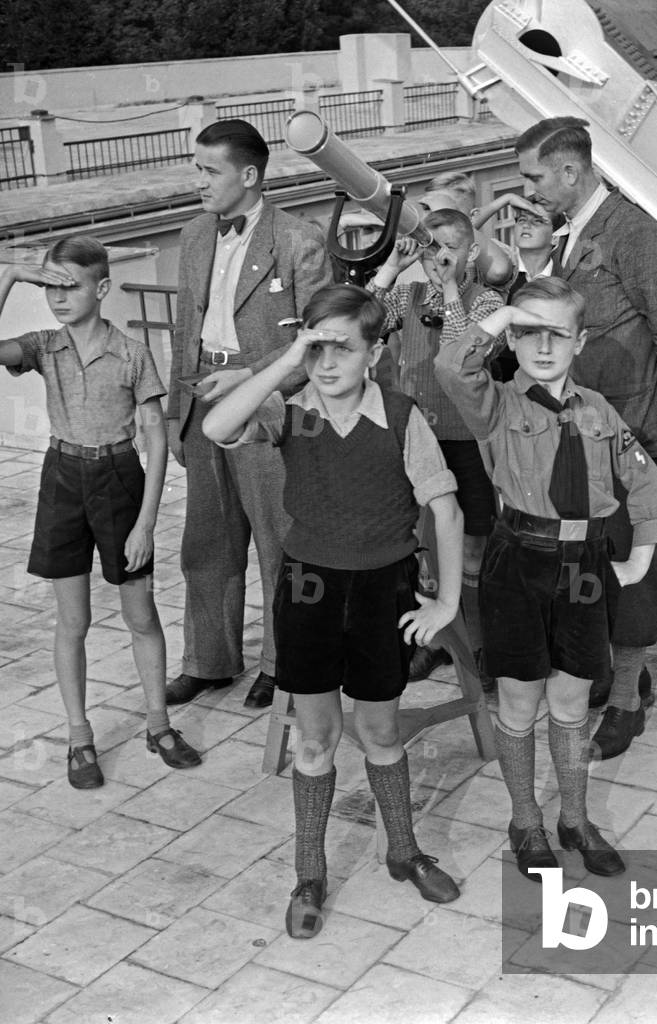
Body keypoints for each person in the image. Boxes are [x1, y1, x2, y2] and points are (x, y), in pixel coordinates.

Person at [203, 284, 464, 938]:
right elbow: (215, 425)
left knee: (380, 731)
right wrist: (287, 357)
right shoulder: (291, 411)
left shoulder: (402, 417)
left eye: (341, 349)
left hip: (384, 590)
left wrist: (448, 600)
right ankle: (310, 871)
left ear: (373, 353)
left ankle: (403, 850)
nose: (327, 363)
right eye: (317, 348)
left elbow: (447, 510)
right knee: (315, 737)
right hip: (309, 589)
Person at [435, 276, 657, 879]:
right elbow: (451, 365)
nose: (543, 347)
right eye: (529, 333)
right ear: (512, 336)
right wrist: (507, 311)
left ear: (580, 340)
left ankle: (575, 817)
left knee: (570, 699)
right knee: (518, 701)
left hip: (584, 565)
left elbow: (644, 484)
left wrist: (642, 556)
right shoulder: (498, 403)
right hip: (519, 560)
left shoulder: (598, 411)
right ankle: (525, 821)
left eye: (557, 334)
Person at [515, 115, 657, 759]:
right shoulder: (578, 232)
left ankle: (625, 705)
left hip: (632, 434)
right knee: (593, 561)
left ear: (571, 170)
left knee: (634, 572)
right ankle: (622, 675)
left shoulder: (635, 230)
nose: (530, 189)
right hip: (583, 436)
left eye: (535, 176)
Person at [0, 237, 200, 788]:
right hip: (63, 481)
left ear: (102, 288)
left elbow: (156, 441)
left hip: (119, 481)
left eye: (70, 286)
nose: (58, 298)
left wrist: (145, 523)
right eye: (49, 288)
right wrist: (13, 278)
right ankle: (79, 737)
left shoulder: (132, 353)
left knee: (141, 616)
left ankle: (158, 726)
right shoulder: (43, 346)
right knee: (74, 621)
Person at [166, 118, 332, 709]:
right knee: (207, 541)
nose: (199, 182)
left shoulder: (297, 240)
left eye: (209, 171)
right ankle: (208, 660)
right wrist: (174, 416)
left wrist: (252, 378)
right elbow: (183, 329)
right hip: (200, 396)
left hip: (264, 402)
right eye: (197, 169)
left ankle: (282, 662)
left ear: (250, 175)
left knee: (277, 539)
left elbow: (315, 342)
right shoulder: (192, 236)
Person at [368, 208, 505, 684]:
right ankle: (438, 643)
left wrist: (449, 291)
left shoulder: (488, 301)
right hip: (415, 439)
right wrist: (389, 267)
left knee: (471, 551)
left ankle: (480, 645)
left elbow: (459, 353)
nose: (440, 255)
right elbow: (360, 320)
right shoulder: (407, 294)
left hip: (465, 440)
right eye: (432, 246)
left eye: (452, 246)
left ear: (471, 252)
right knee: (422, 550)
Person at [473, 190, 566, 380]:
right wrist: (504, 200)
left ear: (555, 237)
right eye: (521, 219)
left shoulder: (565, 277)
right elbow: (460, 231)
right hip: (502, 379)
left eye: (538, 221)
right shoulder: (501, 269)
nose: (527, 225)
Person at [420, 171, 515, 288]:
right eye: (426, 208)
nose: (434, 218)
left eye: (448, 212)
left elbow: (498, 272)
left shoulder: (484, 251)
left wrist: (460, 222)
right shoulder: (417, 247)